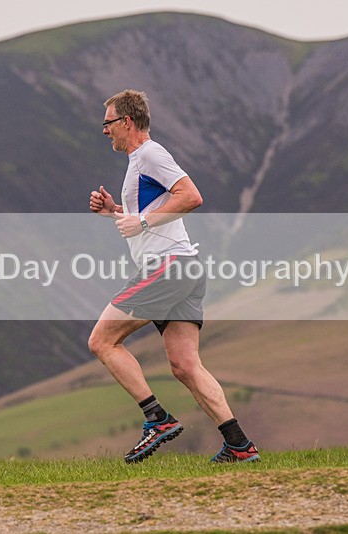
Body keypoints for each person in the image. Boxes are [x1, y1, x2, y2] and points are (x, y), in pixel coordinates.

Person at [88, 89, 260, 463]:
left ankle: (157, 419)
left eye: (108, 123)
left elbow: (191, 196)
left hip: (168, 268)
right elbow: (149, 219)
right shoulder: (137, 163)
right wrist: (116, 212)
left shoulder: (150, 154)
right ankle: (239, 445)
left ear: (127, 122)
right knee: (185, 366)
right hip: (183, 269)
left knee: (102, 341)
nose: (105, 131)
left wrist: (142, 219)